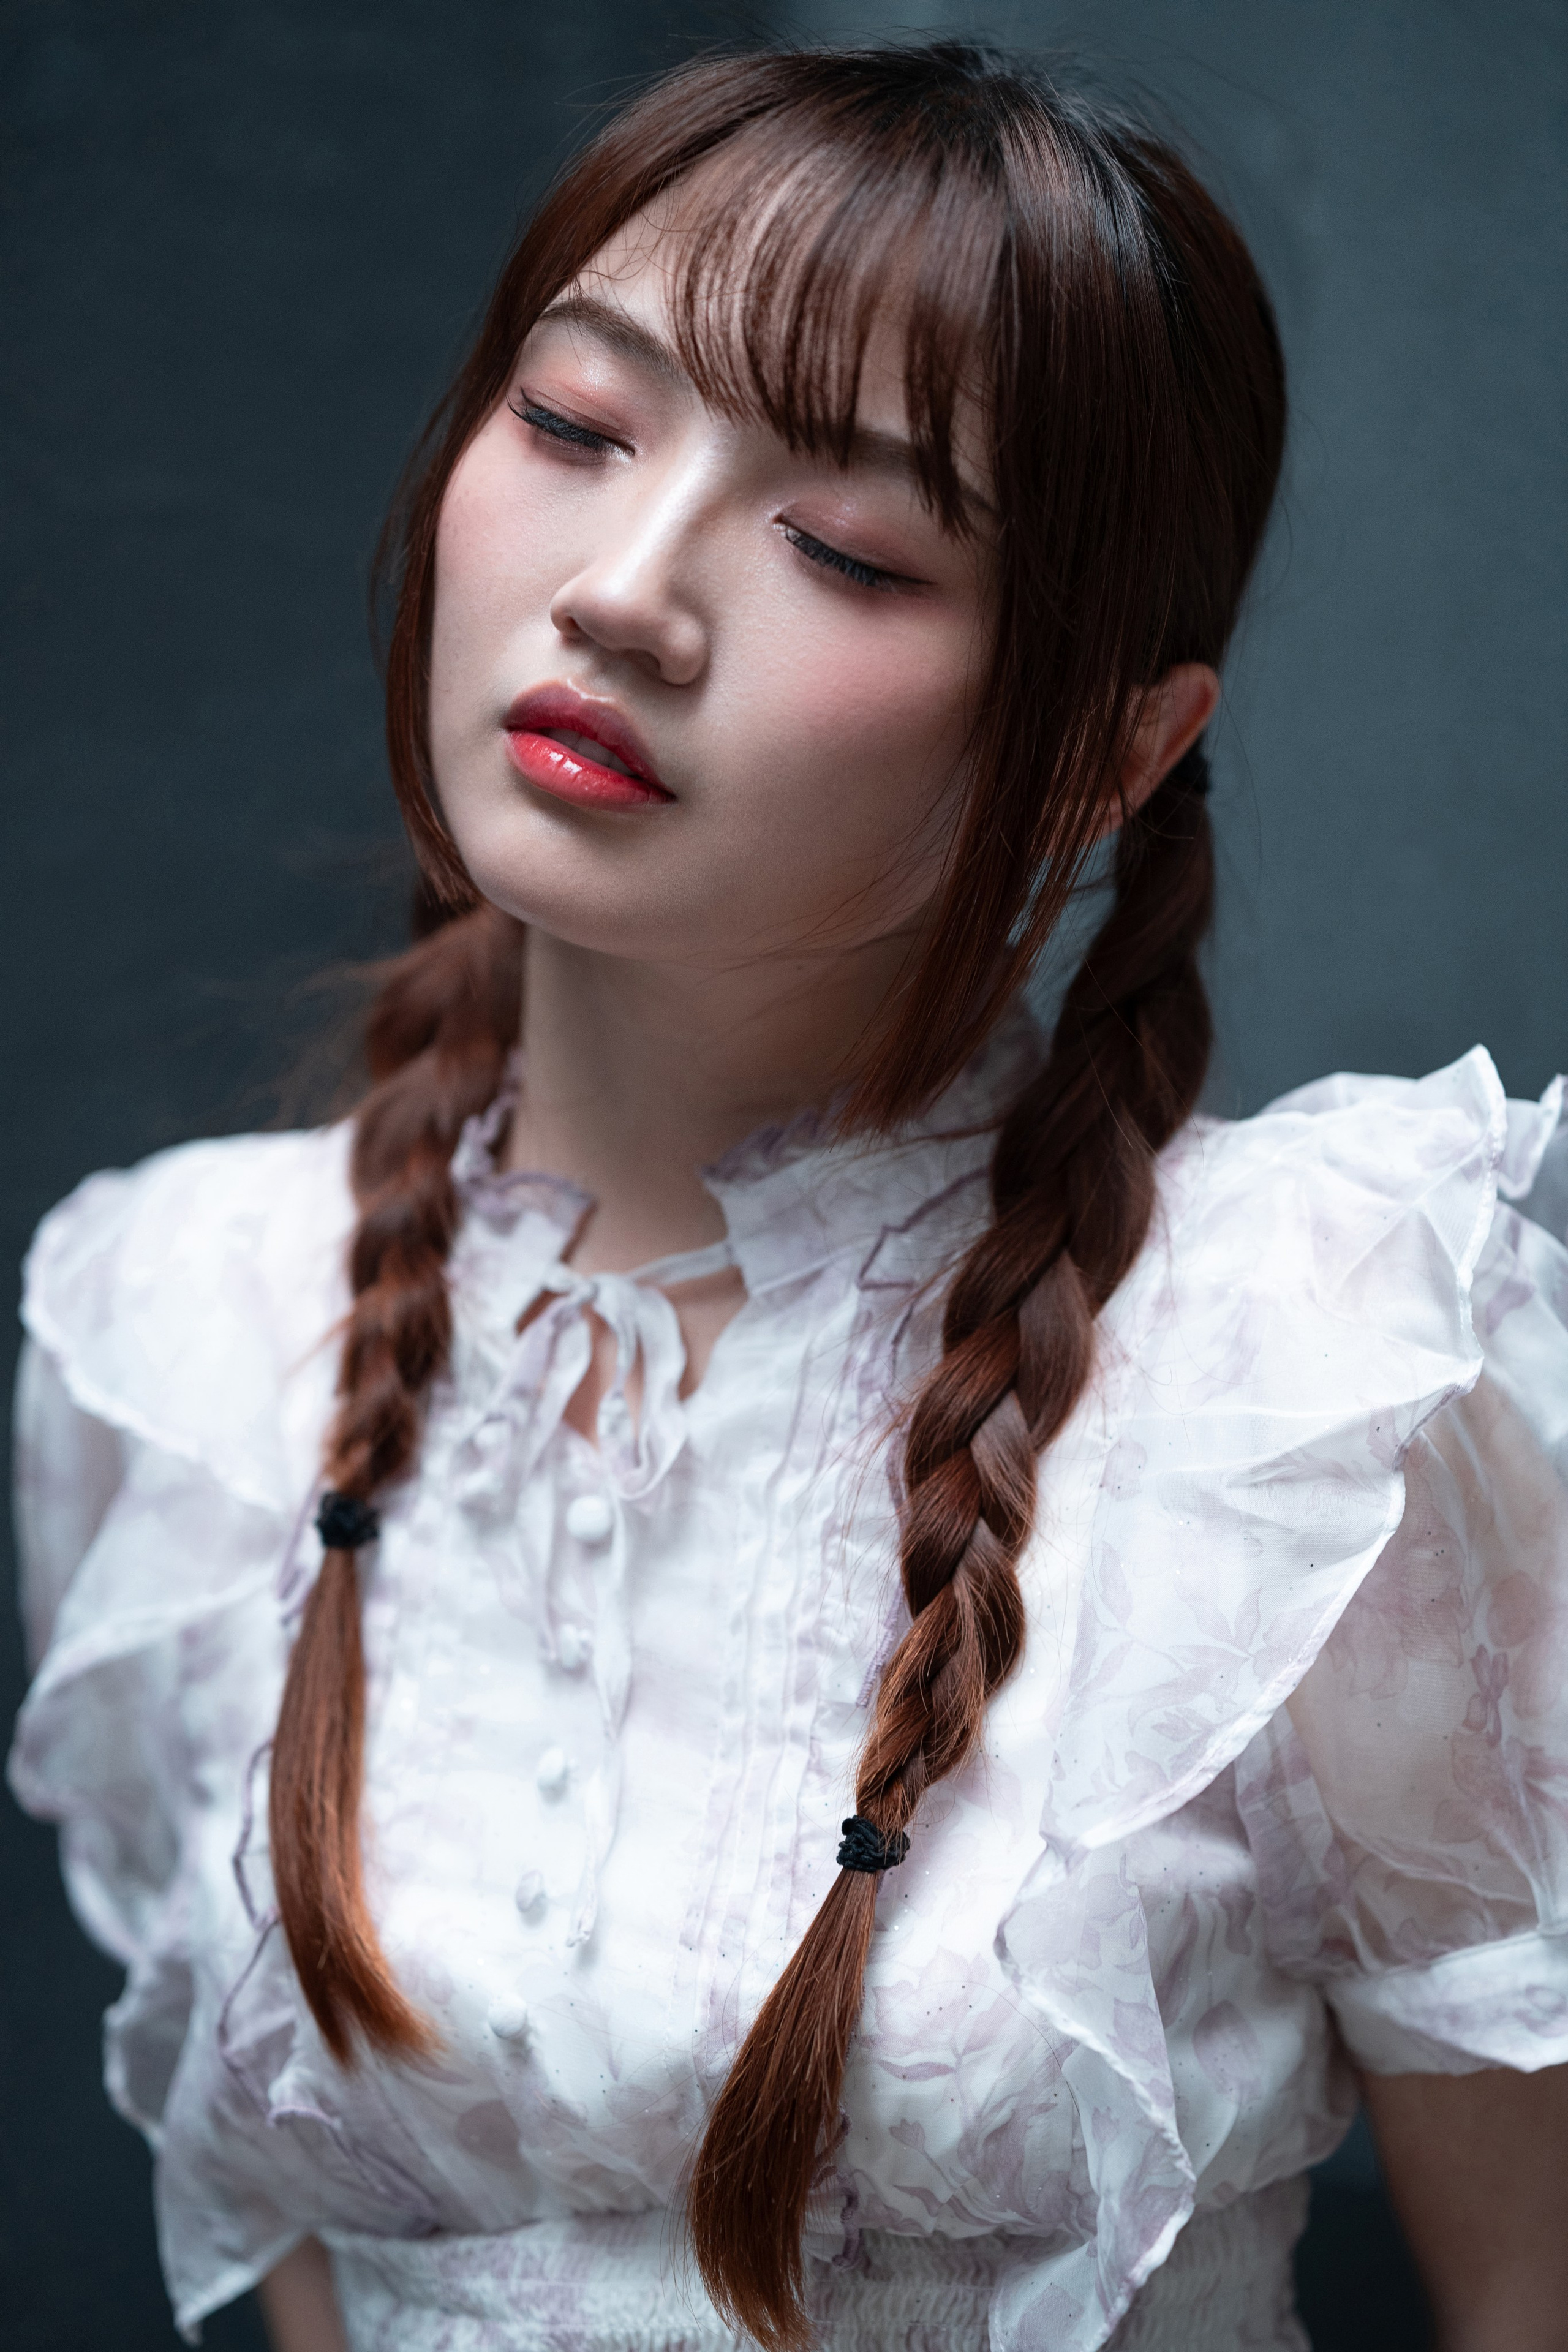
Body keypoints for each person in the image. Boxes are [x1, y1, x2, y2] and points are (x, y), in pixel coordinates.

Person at [10, 40, 1568, 2352]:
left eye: (845, 545)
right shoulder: (196, 1335)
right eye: (569, 426)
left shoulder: (1308, 1376)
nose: (623, 593)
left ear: (1111, 750)